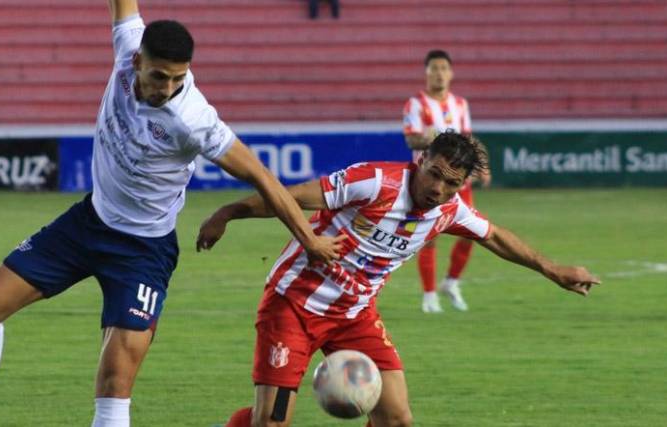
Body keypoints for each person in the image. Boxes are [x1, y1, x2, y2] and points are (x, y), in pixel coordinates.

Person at [0, 1, 343, 426]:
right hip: (88, 224)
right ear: (138, 60)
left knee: (115, 377)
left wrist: (310, 239)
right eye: (159, 76)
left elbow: (263, 177)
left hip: (144, 250)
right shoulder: (126, 49)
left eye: (178, 78)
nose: (168, 87)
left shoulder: (194, 119)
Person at [198, 132, 600, 427]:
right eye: (435, 174)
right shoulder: (374, 182)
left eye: (452, 183)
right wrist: (228, 213)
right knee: (270, 423)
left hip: (354, 316)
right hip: (293, 306)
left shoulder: (448, 210)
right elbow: (294, 195)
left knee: (396, 419)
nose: (439, 189)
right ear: (422, 159)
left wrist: (551, 269)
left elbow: (493, 236)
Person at [402, 49, 490, 313]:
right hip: (430, 180)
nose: (439, 73)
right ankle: (429, 296)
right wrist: (435, 138)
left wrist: (483, 165)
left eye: (443, 68)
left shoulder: (460, 104)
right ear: (426, 72)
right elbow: (412, 140)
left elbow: (468, 139)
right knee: (429, 236)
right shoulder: (415, 105)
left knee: (473, 233)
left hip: (459, 181)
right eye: (434, 68)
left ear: (450, 73)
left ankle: (451, 282)